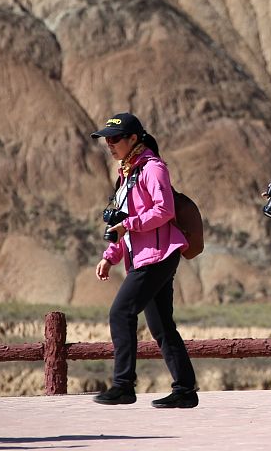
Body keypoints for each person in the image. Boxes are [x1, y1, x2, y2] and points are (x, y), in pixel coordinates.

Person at [91, 112, 198, 408]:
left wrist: (130, 225)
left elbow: (164, 211)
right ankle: (185, 390)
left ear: (133, 139)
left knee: (120, 312)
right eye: (106, 140)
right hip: (144, 256)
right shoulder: (126, 173)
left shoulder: (153, 168)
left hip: (160, 255)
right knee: (162, 326)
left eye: (114, 139)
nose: (109, 145)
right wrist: (109, 256)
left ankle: (123, 385)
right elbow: (121, 224)